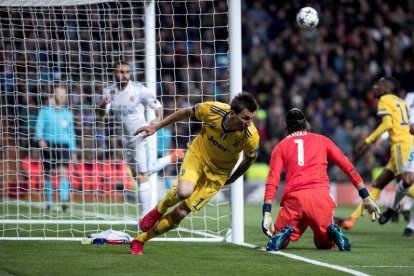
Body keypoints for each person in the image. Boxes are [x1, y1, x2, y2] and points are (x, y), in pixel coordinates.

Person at [129, 92, 260, 255]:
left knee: (180, 213)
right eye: (246, 118)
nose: (250, 123)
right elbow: (186, 112)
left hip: (218, 174)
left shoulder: (251, 136)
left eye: (252, 118)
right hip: (198, 156)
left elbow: (249, 160)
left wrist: (232, 179)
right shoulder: (213, 110)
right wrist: (156, 126)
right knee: (184, 191)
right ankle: (158, 210)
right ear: (233, 113)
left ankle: (140, 240)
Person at [262, 108, 380, 252]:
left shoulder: (280, 147)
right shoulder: (323, 140)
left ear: (285, 125)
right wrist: (365, 196)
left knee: (278, 239)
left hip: (295, 199)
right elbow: (348, 167)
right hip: (320, 197)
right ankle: (331, 231)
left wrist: (266, 212)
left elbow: (272, 180)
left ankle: (286, 232)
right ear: (306, 123)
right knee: (325, 243)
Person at [97, 60, 184, 217]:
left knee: (142, 176)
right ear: (114, 73)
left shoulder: (139, 89)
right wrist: (102, 106)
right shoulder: (109, 91)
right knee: (140, 174)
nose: (124, 75)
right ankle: (172, 157)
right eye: (120, 72)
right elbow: (101, 115)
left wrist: (157, 120)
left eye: (127, 72)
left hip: (142, 136)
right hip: (125, 139)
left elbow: (157, 106)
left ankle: (144, 220)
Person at [335, 76, 414, 229]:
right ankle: (351, 219)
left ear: (388, 89)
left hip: (400, 146)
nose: (376, 86)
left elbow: (387, 124)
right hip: (404, 145)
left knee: (403, 184)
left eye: (381, 84)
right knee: (377, 185)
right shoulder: (401, 101)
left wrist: (366, 141)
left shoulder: (385, 99)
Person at [35, 85, 77, 212]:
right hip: (48, 144)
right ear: (54, 95)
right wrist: (39, 138)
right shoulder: (45, 111)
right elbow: (39, 125)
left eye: (63, 94)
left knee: (63, 173)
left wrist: (73, 149)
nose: (61, 96)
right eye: (59, 93)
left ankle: (64, 201)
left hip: (63, 145)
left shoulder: (68, 113)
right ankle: (48, 202)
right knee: (48, 174)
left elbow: (71, 132)